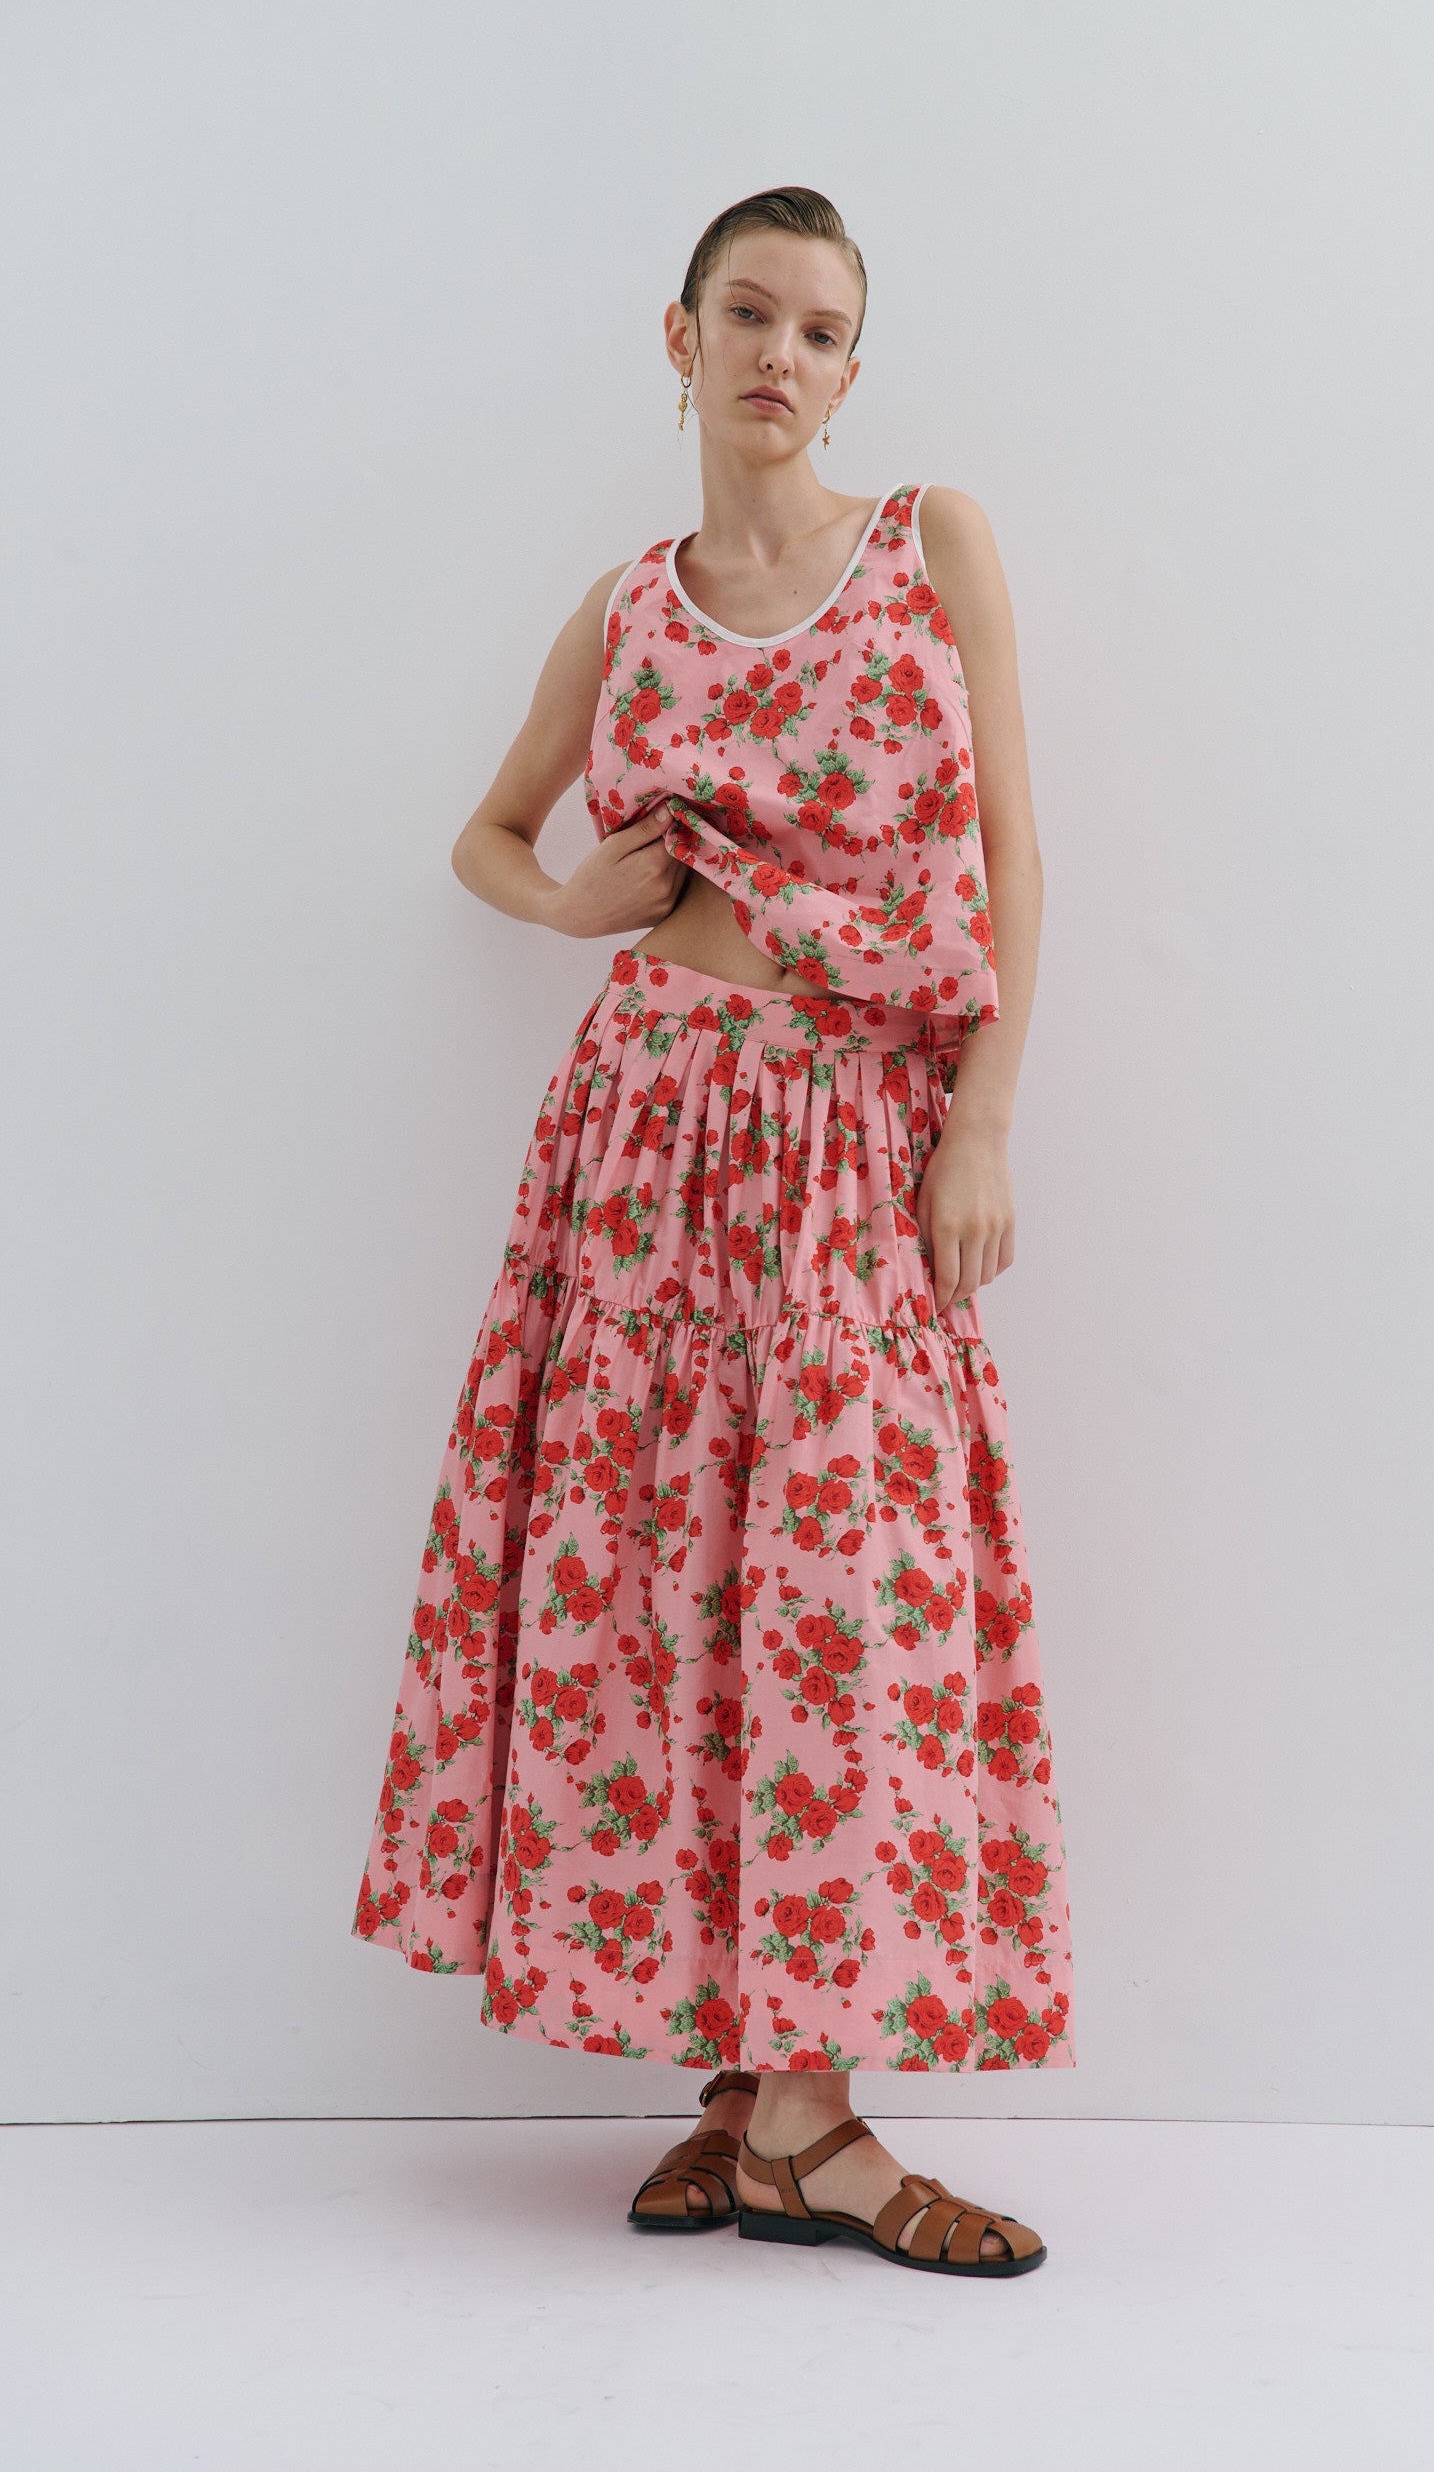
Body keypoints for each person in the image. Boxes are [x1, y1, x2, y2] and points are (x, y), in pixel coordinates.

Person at [352, 186, 1073, 2278]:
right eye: (747, 313)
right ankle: (764, 2105)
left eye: (825, 328)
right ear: (676, 337)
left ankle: (802, 2101)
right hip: (646, 1133)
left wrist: (984, 1113)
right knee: (660, 1578)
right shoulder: (631, 609)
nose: (783, 353)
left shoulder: (937, 546)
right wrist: (573, 897)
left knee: (839, 1581)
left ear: (856, 368)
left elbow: (1018, 848)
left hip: (857, 1133)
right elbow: (490, 834)